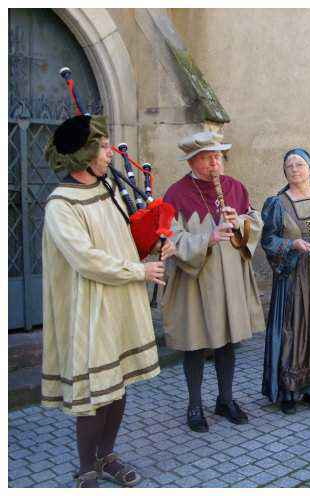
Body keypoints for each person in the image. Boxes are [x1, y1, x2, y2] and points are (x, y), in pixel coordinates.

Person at [41, 114, 174, 487]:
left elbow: (126, 235)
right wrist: (140, 272)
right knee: (95, 392)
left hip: (120, 301)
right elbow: (87, 259)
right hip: (91, 306)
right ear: (84, 156)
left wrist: (157, 238)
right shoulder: (61, 205)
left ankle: (106, 455)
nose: (109, 153)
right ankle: (87, 466)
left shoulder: (109, 189)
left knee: (118, 385)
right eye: (101, 147)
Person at [161, 131, 264, 432]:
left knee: (228, 341)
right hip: (195, 280)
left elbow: (254, 223)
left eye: (218, 156)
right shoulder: (176, 193)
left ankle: (225, 399)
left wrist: (240, 223)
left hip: (231, 277)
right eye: (209, 158)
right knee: (194, 344)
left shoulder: (235, 187)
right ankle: (194, 404)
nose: (215, 163)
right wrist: (208, 237)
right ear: (193, 161)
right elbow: (169, 238)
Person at [261, 148, 310, 414]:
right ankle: (289, 392)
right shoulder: (277, 203)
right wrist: (290, 244)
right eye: (289, 165)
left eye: (300, 164)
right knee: (292, 331)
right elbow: (268, 240)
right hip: (292, 277)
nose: (295, 169)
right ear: (285, 171)